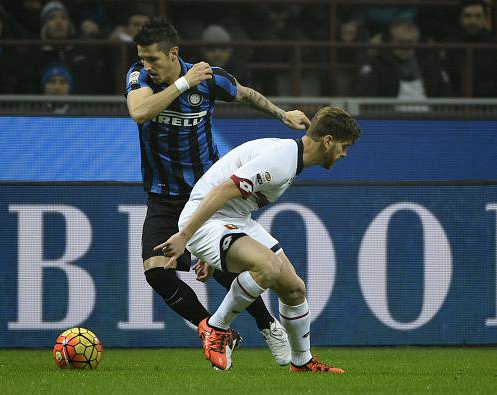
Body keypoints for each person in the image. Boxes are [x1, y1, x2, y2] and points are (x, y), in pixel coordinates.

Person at [125, 17, 311, 366]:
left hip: (204, 190)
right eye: (142, 58)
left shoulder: (209, 79)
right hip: (163, 194)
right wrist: (183, 82)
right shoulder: (140, 78)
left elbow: (244, 94)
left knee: (226, 267)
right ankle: (211, 329)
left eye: (153, 59)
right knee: (156, 272)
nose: (146, 66)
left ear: (173, 53)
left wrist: (282, 114)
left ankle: (269, 325)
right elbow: (139, 112)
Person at [155, 106, 361, 371]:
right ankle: (215, 328)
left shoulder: (289, 156)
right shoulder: (281, 161)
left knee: (294, 289)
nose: (344, 154)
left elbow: (232, 195)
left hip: (233, 219)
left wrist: (212, 256)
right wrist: (186, 236)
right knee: (267, 266)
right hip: (207, 220)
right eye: (343, 146)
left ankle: (302, 362)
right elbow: (224, 188)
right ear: (328, 141)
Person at [354, 18, 451, 98]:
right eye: (401, 42)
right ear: (392, 41)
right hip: (390, 119)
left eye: (410, 42)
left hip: (430, 120)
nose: (405, 47)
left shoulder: (431, 66)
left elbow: (446, 98)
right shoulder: (377, 66)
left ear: (416, 42)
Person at [443, 0, 497, 97]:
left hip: (490, 105)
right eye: (468, 16)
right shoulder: (450, 44)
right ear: (460, 18)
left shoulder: (493, 44)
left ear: (484, 19)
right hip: (457, 105)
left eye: (478, 16)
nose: (473, 21)